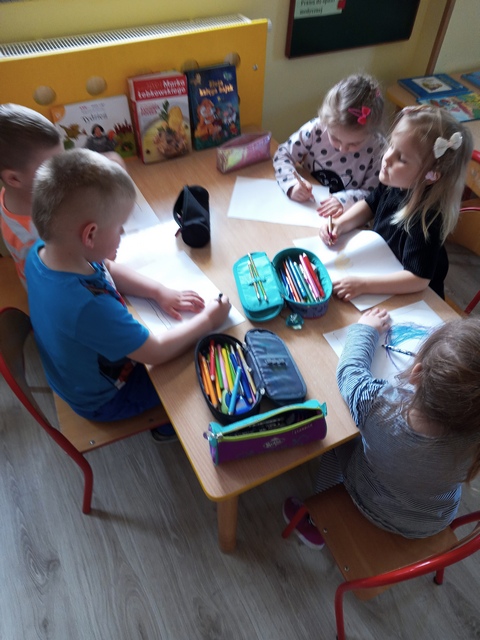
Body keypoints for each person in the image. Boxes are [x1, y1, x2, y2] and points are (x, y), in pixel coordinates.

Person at [25, 149, 231, 440]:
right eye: (119, 227)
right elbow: (155, 351)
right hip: (107, 399)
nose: (122, 233)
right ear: (90, 235)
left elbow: (106, 267)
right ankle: (167, 422)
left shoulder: (45, 251)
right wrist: (209, 320)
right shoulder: (87, 306)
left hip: (71, 377)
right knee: (203, 357)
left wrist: (158, 291)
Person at [283, 307, 480, 549]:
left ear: (416, 373)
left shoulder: (379, 408)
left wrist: (366, 329)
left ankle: (314, 521)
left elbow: (349, 372)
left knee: (338, 441)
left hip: (369, 503)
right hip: (433, 522)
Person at [320, 105, 474, 300]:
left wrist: (363, 285)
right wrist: (340, 224)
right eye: (391, 146)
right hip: (382, 266)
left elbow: (417, 278)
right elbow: (369, 205)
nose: (387, 158)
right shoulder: (396, 183)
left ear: (431, 175)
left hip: (414, 298)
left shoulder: (427, 218)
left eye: (401, 158)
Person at [273, 73, 385, 218]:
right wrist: (292, 184)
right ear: (325, 120)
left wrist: (344, 200)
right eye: (335, 138)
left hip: (343, 217)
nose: (343, 149)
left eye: (354, 144)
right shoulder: (317, 129)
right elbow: (283, 154)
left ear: (372, 133)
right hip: (306, 207)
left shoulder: (377, 148)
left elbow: (373, 194)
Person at [0, 103, 63, 287]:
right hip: (54, 291)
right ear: (14, 179)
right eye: (52, 168)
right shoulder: (34, 237)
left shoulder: (14, 193)